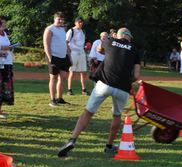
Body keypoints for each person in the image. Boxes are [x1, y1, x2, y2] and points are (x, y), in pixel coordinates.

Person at [58, 28, 141, 157]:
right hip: (123, 88)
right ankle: (109, 146)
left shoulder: (111, 41)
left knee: (88, 113)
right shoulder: (135, 50)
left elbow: (99, 50)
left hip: (104, 84)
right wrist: (125, 80)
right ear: (128, 37)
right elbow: (136, 75)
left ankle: (72, 139)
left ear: (119, 36)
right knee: (117, 115)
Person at [43, 11, 71, 107]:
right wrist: (50, 57)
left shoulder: (62, 29)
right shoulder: (49, 29)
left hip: (63, 57)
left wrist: (68, 55)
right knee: (53, 78)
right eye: (59, 19)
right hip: (54, 56)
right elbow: (46, 44)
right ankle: (52, 99)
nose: (60, 21)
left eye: (62, 19)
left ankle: (60, 98)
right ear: (54, 19)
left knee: (62, 78)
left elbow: (65, 43)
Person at [0, 17, 14, 118]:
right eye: (1, 23)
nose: (3, 25)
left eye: (4, 23)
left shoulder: (5, 34)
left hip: (7, 62)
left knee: (5, 85)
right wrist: (8, 47)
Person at [66, 17, 88, 96]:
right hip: (73, 53)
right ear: (75, 23)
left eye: (82, 22)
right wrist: (68, 53)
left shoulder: (83, 31)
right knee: (72, 72)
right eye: (79, 22)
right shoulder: (71, 31)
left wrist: (85, 48)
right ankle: (69, 90)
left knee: (83, 72)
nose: (81, 23)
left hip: (81, 52)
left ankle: (84, 90)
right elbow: (66, 42)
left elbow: (82, 43)